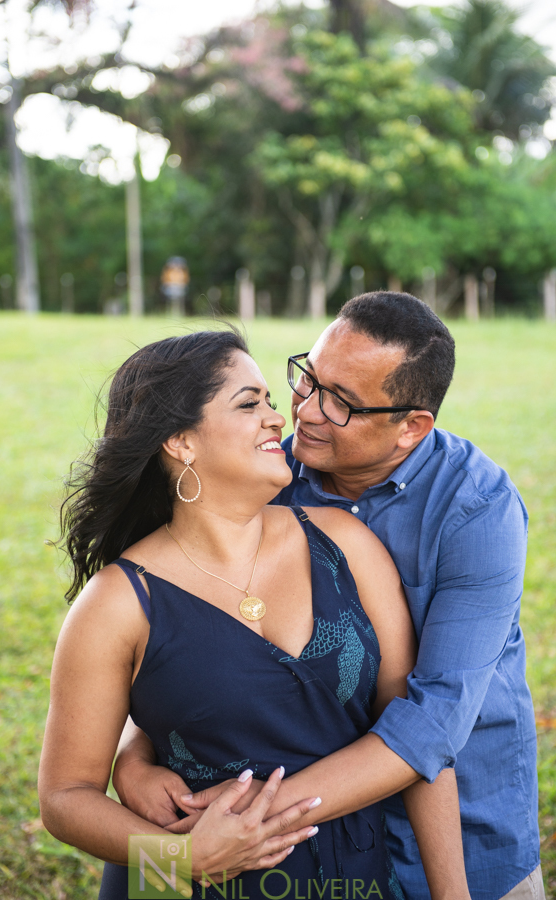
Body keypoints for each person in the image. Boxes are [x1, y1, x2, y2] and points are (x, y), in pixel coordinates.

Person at [114, 296, 543, 900]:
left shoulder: (476, 509)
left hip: (458, 829)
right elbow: (185, 651)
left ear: (411, 427)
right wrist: (134, 757)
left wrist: (245, 822)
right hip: (296, 854)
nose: (305, 411)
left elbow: (430, 720)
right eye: (308, 378)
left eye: (340, 401)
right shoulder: (264, 478)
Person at [38, 329, 471, 900]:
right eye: (250, 403)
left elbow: (413, 733)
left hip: (351, 877)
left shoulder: (345, 543)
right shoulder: (117, 602)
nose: (278, 419)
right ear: (180, 442)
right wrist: (182, 856)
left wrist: (453, 895)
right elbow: (65, 797)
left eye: (270, 400)